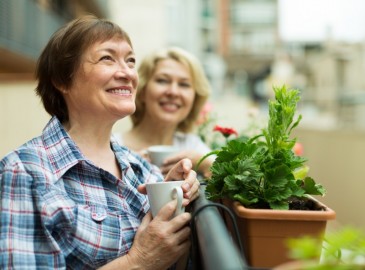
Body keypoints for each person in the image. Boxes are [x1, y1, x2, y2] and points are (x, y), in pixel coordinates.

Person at [0, 15, 200, 270]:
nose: (127, 73)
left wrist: (174, 200)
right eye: (107, 58)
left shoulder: (143, 170)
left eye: (130, 61)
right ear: (63, 79)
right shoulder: (24, 172)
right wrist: (138, 262)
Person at [119, 47, 214, 178]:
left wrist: (203, 163)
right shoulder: (113, 146)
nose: (173, 92)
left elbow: (232, 180)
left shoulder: (192, 146)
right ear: (141, 91)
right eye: (162, 80)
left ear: (194, 98)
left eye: (184, 84)